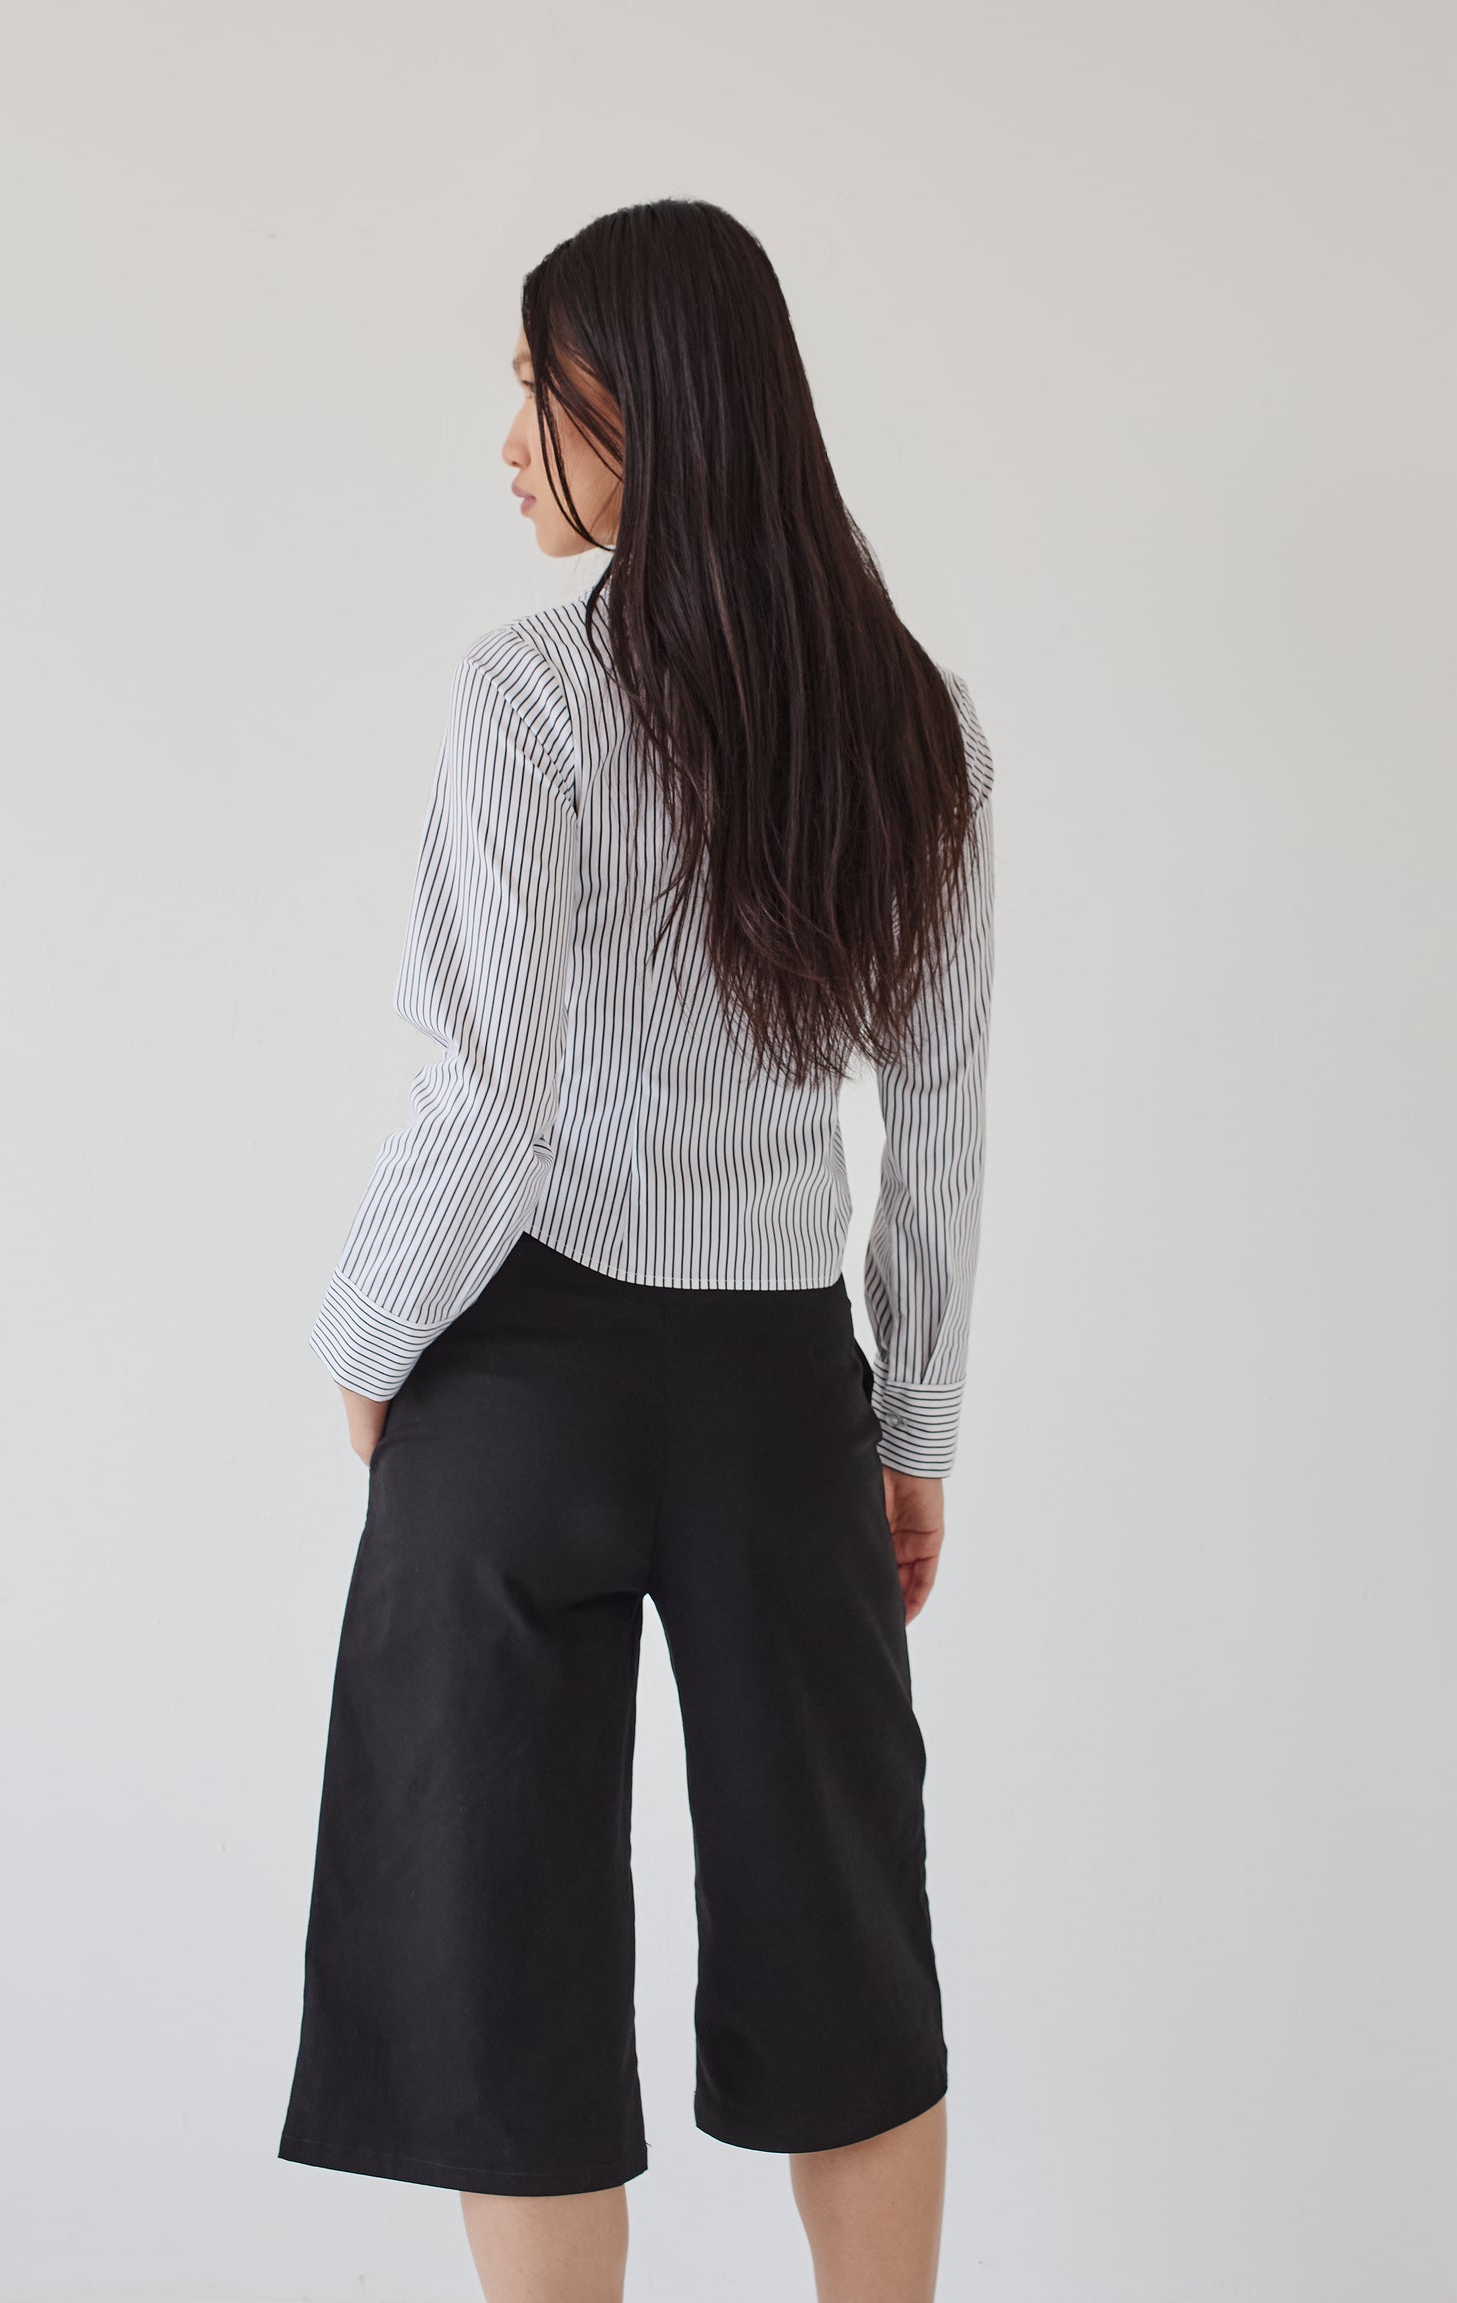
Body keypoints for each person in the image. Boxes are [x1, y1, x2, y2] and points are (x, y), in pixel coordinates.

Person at [278, 197, 995, 2303]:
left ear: (639, 416)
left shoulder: (525, 700)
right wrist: (915, 1423)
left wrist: (366, 1339)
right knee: (844, 1943)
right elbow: (936, 1114)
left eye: (534, 390)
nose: (505, 437)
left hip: (516, 1379)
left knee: (500, 1954)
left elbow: (478, 1100)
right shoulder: (915, 719)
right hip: (783, 1393)